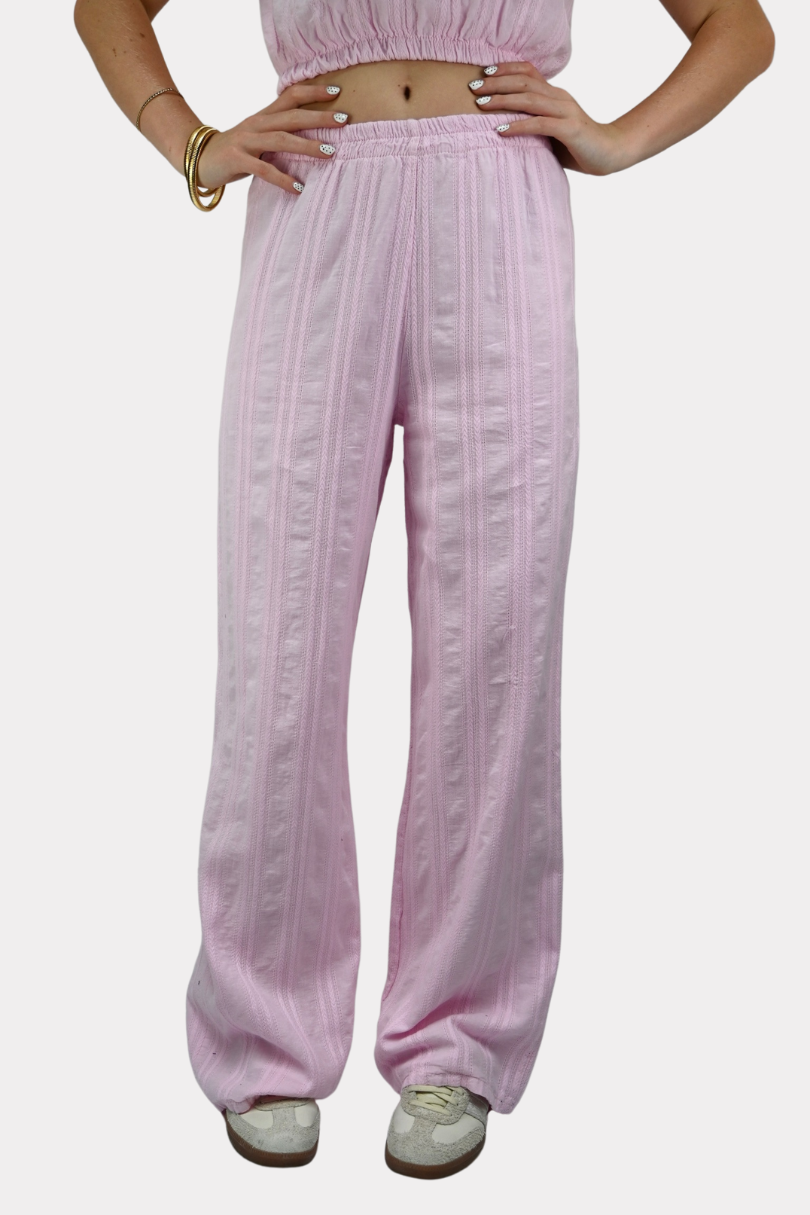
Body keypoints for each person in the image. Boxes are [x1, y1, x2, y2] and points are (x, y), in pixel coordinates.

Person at [74, 0, 774, 1180]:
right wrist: (190, 142)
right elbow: (106, 9)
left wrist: (614, 139)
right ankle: (265, 1033)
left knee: (496, 639)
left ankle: (458, 1038)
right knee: (277, 642)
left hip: (497, 205)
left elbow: (739, 30)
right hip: (316, 194)